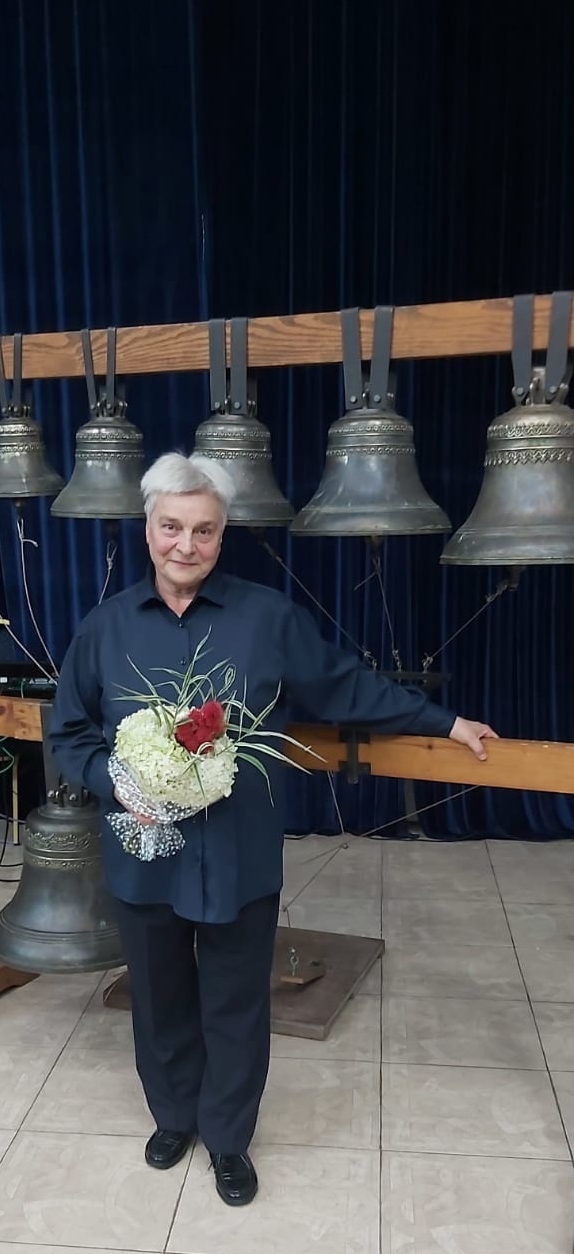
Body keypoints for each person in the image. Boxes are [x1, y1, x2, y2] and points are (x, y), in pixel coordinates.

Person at [49, 453, 497, 1206]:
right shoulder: (105, 628)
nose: (186, 544)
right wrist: (115, 782)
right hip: (144, 851)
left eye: (204, 530)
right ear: (148, 529)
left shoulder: (267, 618)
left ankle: (227, 1138)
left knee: (235, 1001)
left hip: (237, 851)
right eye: (171, 527)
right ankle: (173, 1117)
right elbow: (68, 732)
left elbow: (345, 686)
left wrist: (443, 721)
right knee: (158, 996)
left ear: (222, 535)